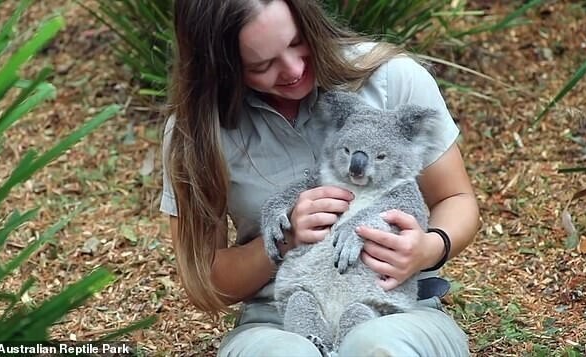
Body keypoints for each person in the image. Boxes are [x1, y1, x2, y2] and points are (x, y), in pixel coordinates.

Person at [160, 0, 479, 356]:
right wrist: (283, 239)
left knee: (376, 347)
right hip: (279, 316)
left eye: (297, 42)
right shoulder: (197, 135)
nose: (293, 69)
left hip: (391, 306)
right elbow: (208, 280)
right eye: (261, 65)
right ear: (221, 69)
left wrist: (428, 249)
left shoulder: (390, 79)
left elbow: (456, 199)